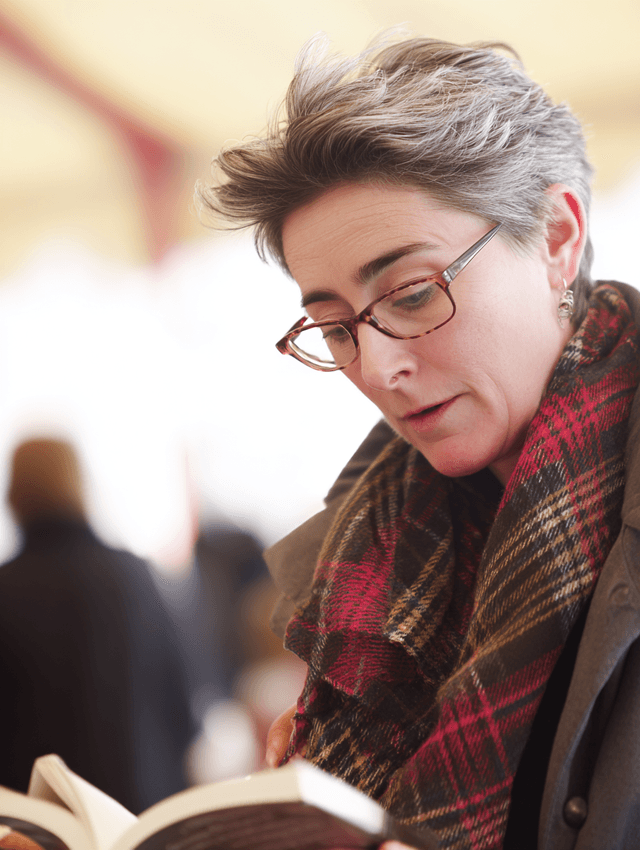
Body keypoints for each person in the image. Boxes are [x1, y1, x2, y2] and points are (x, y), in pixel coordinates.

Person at [197, 34, 640, 850]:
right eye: (333, 329)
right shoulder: (368, 550)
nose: (378, 367)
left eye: (409, 294)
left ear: (555, 237)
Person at [0, 438, 195, 813]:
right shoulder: (133, 578)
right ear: (79, 485)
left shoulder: (4, 591)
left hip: (39, 828)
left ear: (12, 493)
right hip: (139, 819)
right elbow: (184, 709)